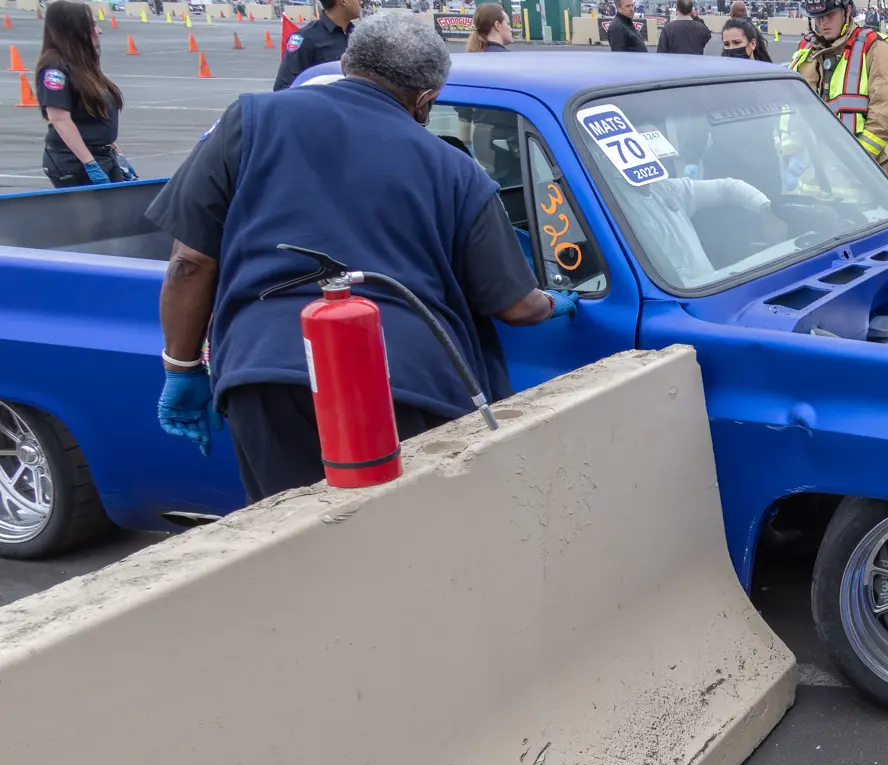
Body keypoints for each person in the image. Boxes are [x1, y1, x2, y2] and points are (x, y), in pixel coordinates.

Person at [147, 14, 579, 502]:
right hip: (404, 384)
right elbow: (514, 306)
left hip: (263, 375)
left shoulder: (248, 121)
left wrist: (181, 368)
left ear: (346, 62)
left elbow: (189, 263)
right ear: (424, 99)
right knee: (408, 543)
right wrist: (553, 302)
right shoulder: (455, 170)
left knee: (296, 539)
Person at [788, 0, 888, 168]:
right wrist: (790, 152)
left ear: (847, 11)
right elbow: (791, 108)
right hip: (809, 176)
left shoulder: (872, 46)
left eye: (830, 15)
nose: (823, 22)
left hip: (859, 177)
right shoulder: (806, 49)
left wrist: (859, 157)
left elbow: (887, 109)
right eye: (818, 17)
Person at [35, 1, 135, 188]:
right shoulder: (55, 69)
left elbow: (96, 120)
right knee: (92, 217)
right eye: (93, 25)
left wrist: (119, 157)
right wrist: (89, 164)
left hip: (101, 156)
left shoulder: (83, 66)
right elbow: (59, 119)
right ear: (75, 30)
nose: (99, 31)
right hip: (74, 162)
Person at [274, 0, 360, 90]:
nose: (359, 2)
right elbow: (283, 87)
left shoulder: (360, 35)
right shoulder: (306, 38)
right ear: (343, 1)